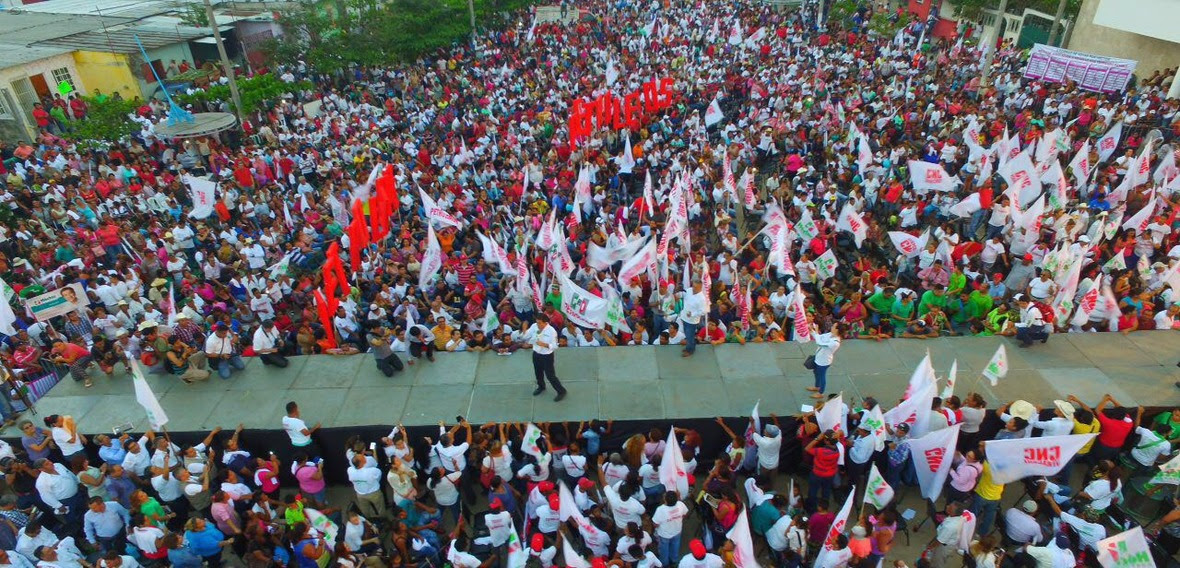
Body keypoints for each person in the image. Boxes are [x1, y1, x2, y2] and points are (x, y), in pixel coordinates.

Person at [523, 313, 566, 401]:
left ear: (545, 322)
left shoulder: (551, 331)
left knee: (550, 375)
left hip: (547, 355)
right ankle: (541, 386)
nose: (537, 325)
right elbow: (526, 336)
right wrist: (524, 327)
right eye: (537, 322)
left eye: (539, 323)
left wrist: (544, 344)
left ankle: (561, 391)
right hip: (536, 353)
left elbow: (554, 346)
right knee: (538, 372)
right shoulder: (534, 326)